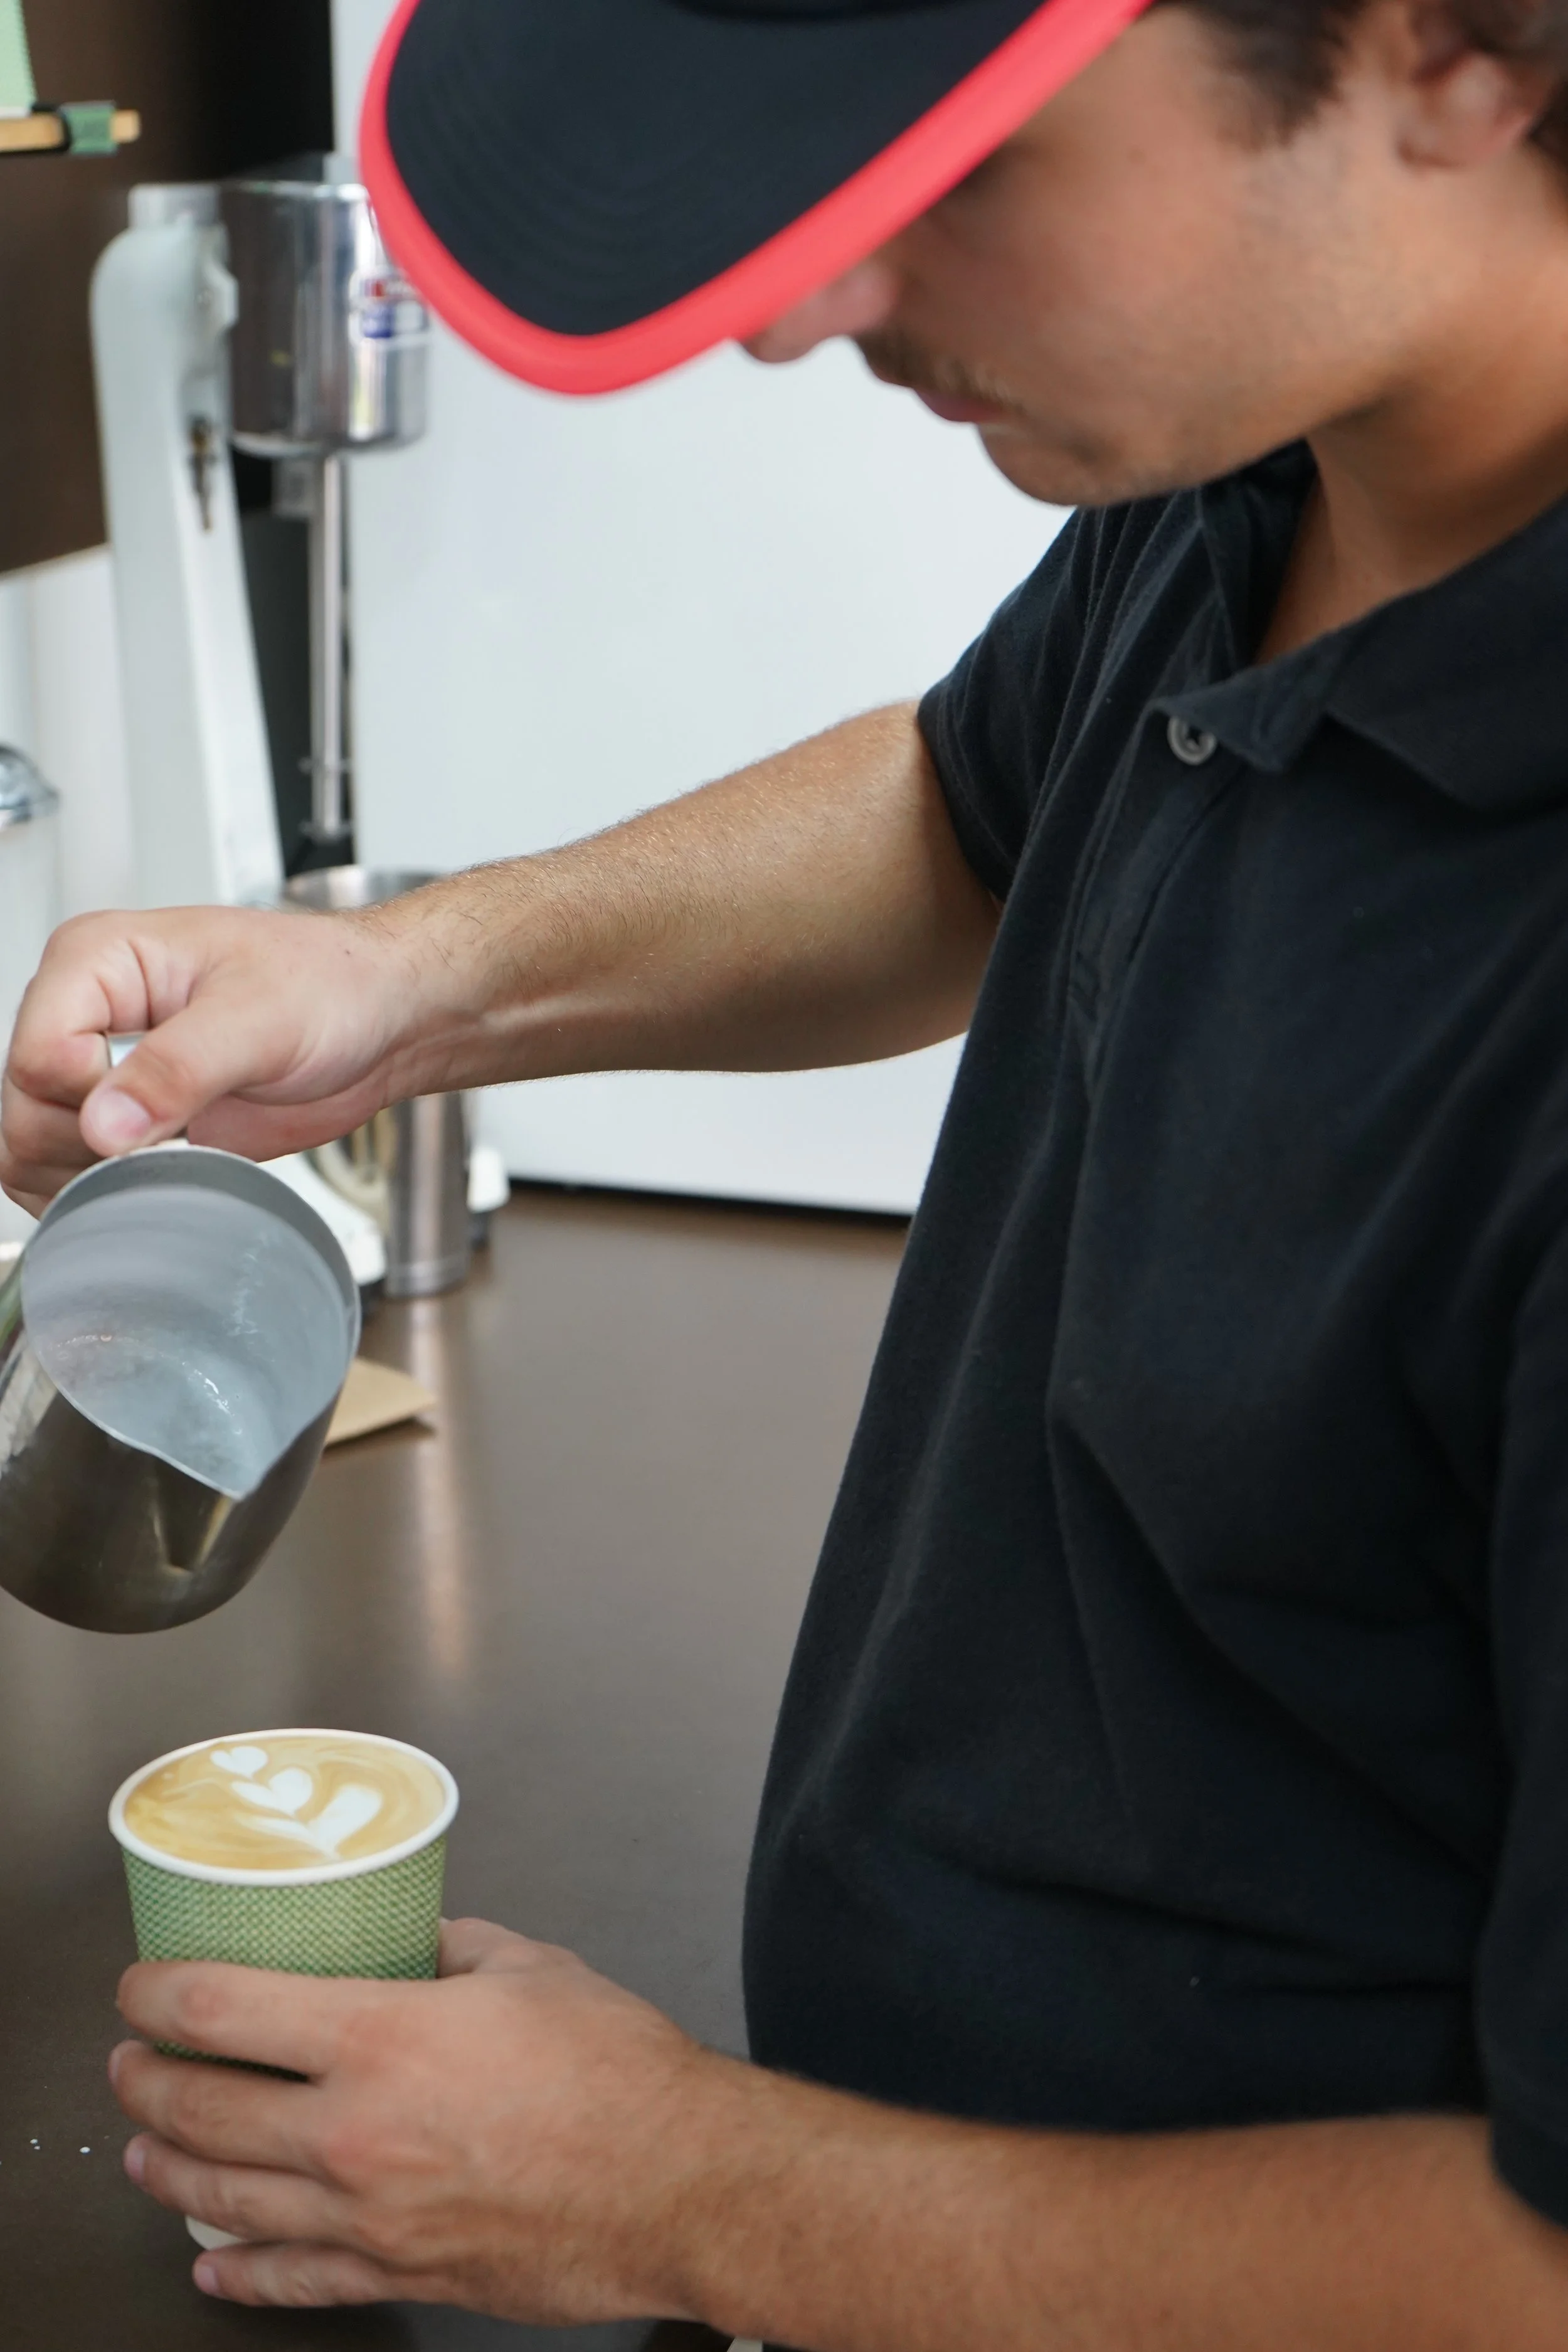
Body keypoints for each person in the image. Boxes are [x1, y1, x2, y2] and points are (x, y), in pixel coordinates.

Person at [8, 0, 1568, 2338]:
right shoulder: (1286, 466)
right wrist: (399, 984)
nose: (791, 302)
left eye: (955, 164)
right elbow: (969, 807)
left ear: (1454, 50)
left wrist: (674, 2188)